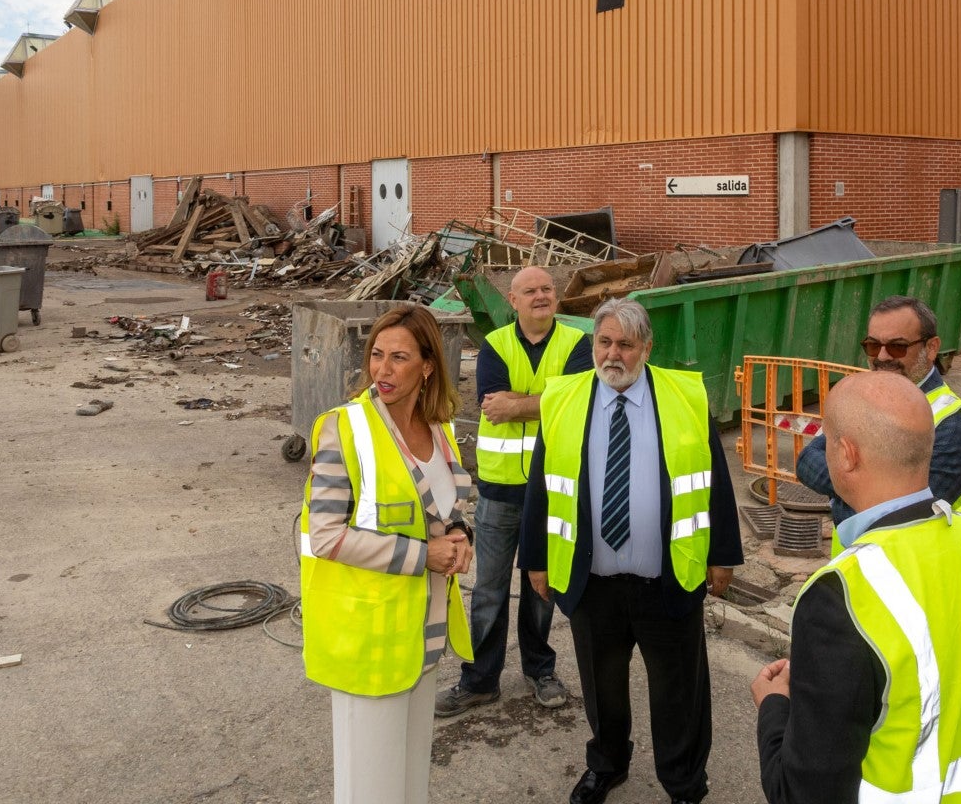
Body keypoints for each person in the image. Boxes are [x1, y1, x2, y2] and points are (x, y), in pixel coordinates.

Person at [751, 369, 961, 803]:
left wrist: (773, 706)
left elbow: (801, 792)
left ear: (845, 454)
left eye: (826, 442)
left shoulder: (840, 594)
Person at [518, 298, 743, 804]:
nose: (612, 354)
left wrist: (722, 553)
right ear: (593, 344)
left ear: (646, 347)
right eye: (604, 342)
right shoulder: (564, 397)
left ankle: (684, 783)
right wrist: (534, 558)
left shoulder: (684, 397)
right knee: (603, 688)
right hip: (592, 582)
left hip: (667, 579)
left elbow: (716, 482)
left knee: (678, 692)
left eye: (624, 343)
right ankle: (607, 765)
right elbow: (541, 485)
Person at [298, 304, 476, 804]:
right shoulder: (344, 429)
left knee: (409, 782)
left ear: (427, 366)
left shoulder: (439, 430)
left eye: (399, 357)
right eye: (377, 355)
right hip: (370, 642)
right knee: (371, 789)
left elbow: (444, 510)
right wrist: (426, 555)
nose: (383, 369)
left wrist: (460, 535)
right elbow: (325, 535)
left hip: (423, 637)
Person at [438, 265, 588, 717]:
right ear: (513, 300)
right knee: (489, 590)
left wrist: (521, 402)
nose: (540, 296)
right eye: (530, 291)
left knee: (543, 587)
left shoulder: (577, 345)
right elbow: (493, 406)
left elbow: (580, 404)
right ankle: (480, 679)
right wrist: (549, 402)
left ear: (556, 299)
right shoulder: (495, 345)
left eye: (547, 289)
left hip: (554, 488)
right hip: (501, 489)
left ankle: (540, 670)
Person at [796, 295, 961, 546]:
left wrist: (842, 494)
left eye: (897, 346)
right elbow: (806, 461)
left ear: (931, 348)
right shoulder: (862, 397)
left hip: (915, 574)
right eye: (872, 345)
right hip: (855, 570)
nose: (882, 356)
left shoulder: (954, 426)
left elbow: (899, 518)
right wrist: (866, 495)